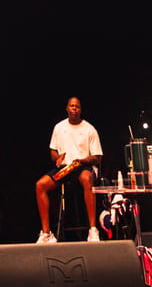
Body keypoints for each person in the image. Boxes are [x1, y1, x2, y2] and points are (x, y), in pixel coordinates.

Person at [35, 97, 103, 243]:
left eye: (77, 106)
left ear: (80, 110)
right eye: (71, 106)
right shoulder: (59, 127)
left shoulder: (89, 129)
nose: (74, 109)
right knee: (40, 185)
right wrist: (57, 157)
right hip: (65, 169)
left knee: (86, 179)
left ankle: (93, 230)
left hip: (83, 166)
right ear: (67, 108)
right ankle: (46, 234)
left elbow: (97, 157)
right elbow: (53, 152)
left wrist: (82, 161)